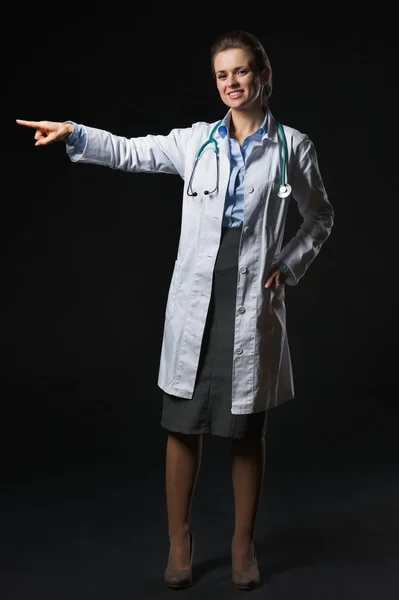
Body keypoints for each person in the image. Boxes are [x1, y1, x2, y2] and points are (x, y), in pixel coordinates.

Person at [16, 30, 334, 590]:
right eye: (221, 75)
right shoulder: (195, 143)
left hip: (251, 296)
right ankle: (179, 541)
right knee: (182, 423)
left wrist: (289, 263)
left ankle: (242, 543)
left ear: (261, 74)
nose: (231, 84)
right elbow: (131, 151)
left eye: (240, 72)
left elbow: (320, 217)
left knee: (243, 426)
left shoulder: (294, 148)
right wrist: (76, 133)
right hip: (199, 295)